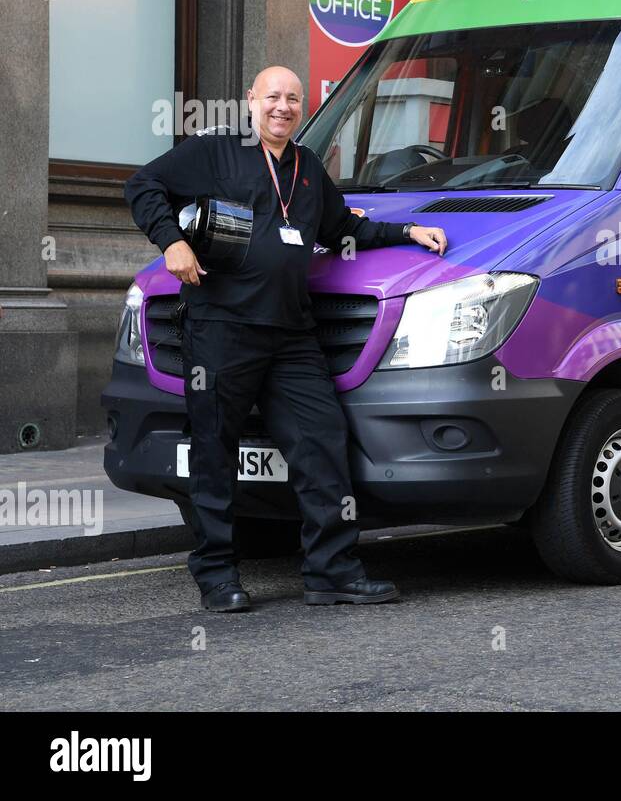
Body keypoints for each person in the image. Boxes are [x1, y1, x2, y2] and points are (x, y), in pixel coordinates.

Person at [124, 66, 448, 612]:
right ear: (250, 99)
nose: (283, 107)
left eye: (293, 99)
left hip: (291, 335)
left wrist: (407, 233)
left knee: (322, 442)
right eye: (273, 96)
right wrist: (171, 242)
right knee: (215, 452)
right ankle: (217, 575)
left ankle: (332, 572)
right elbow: (142, 185)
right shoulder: (215, 150)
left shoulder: (307, 167)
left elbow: (344, 228)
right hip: (223, 328)